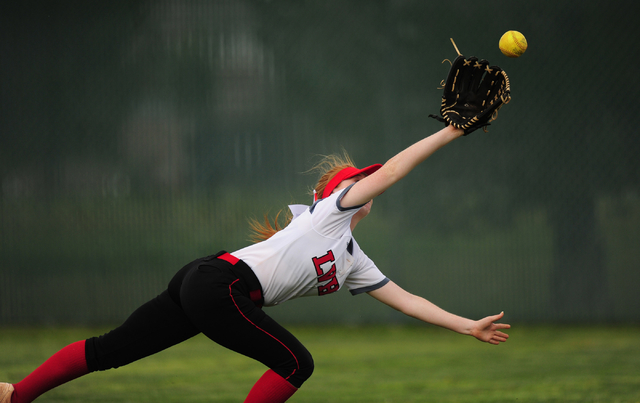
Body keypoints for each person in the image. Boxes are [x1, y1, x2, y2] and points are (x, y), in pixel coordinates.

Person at [0, 124, 510, 403]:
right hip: (219, 284)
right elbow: (395, 170)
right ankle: (16, 395)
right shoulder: (328, 214)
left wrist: (468, 327)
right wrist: (451, 131)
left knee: (112, 350)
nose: (364, 187)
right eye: (356, 182)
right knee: (296, 363)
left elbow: (408, 300)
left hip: (206, 282)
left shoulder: (352, 257)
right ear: (338, 194)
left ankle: (14, 395)